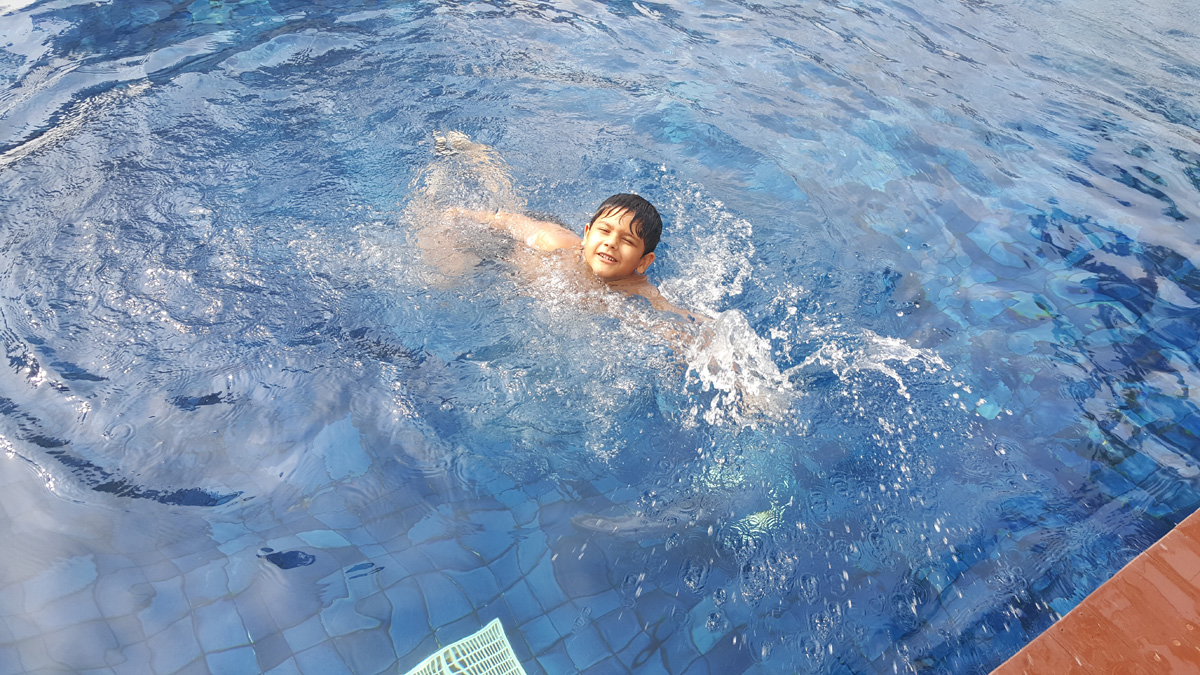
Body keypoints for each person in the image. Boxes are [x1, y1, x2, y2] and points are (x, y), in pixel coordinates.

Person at [447, 193, 705, 323]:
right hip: (502, 251)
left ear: (643, 262)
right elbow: (505, 221)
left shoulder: (637, 291)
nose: (611, 243)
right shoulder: (554, 243)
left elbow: (673, 320)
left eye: (627, 241)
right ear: (587, 234)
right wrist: (461, 215)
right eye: (604, 231)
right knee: (449, 270)